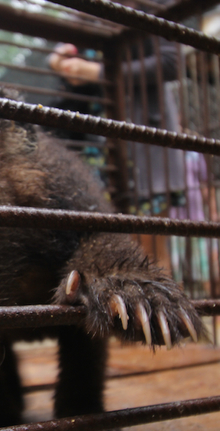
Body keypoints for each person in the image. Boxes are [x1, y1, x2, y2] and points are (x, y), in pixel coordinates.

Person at [48, 2, 185, 272]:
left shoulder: (147, 6)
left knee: (150, 254)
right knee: (109, 248)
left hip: (143, 145)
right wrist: (58, 62)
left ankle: (162, 307)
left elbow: (170, 64)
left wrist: (98, 73)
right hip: (96, 150)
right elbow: (62, 54)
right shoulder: (82, 13)